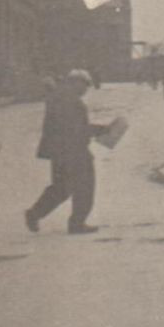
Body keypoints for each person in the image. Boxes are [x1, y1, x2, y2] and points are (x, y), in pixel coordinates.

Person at [24, 70, 109, 235]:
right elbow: (76, 129)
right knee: (85, 186)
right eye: (85, 86)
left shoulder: (59, 96)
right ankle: (77, 223)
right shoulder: (70, 100)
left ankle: (34, 213)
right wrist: (101, 130)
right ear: (76, 82)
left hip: (59, 151)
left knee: (61, 188)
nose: (86, 90)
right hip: (74, 151)